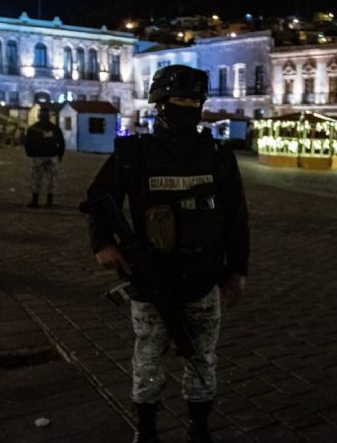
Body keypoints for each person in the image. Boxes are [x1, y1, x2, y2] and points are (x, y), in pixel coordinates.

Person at [83, 65, 249, 443]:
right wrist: (102, 243)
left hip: (204, 277)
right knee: (149, 358)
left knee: (202, 358)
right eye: (178, 100)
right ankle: (146, 430)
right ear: (159, 104)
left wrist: (237, 270)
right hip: (151, 279)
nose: (186, 107)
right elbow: (98, 199)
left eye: (193, 101)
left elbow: (236, 217)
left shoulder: (218, 155)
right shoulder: (134, 153)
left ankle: (199, 428)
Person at [23, 106, 65, 208]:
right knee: (51, 180)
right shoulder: (55, 128)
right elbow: (61, 142)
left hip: (38, 156)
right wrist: (60, 154)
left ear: (39, 115)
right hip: (52, 156)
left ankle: (35, 201)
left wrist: (30, 153)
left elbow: (27, 143)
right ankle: (49, 201)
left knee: (36, 179)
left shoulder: (33, 128)